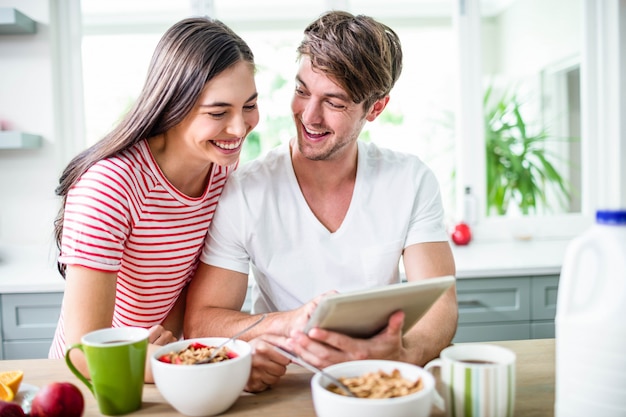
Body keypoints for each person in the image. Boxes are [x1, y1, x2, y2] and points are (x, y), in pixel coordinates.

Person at [184, 10, 457, 392]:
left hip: (378, 380)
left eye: (335, 102)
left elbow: (441, 300)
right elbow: (201, 321)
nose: (309, 116)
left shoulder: (410, 180)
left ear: (376, 108)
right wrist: (287, 323)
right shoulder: (244, 190)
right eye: (301, 91)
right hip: (283, 384)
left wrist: (405, 355)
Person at [48, 16, 259, 383]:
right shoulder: (110, 186)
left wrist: (168, 353)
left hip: (157, 366)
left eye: (250, 106)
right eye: (218, 112)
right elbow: (82, 353)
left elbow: (188, 287)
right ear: (173, 104)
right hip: (91, 380)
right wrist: (214, 366)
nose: (239, 128)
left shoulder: (221, 168)